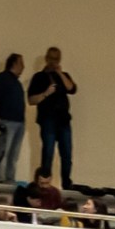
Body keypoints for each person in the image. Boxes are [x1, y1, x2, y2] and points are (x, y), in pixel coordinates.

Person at [27, 46, 76, 185]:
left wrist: (60, 74)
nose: (54, 62)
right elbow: (31, 100)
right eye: (52, 59)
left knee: (67, 153)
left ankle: (66, 183)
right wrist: (46, 93)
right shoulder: (38, 77)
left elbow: (71, 88)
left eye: (57, 59)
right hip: (47, 119)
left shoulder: (64, 75)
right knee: (48, 151)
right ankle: (44, 181)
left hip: (64, 119)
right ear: (46, 59)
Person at [0, 53, 26, 184]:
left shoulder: (17, 83)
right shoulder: (1, 78)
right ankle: (0, 179)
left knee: (14, 154)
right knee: (3, 151)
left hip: (20, 122)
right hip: (6, 121)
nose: (23, 67)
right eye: (21, 63)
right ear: (14, 63)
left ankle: (10, 179)